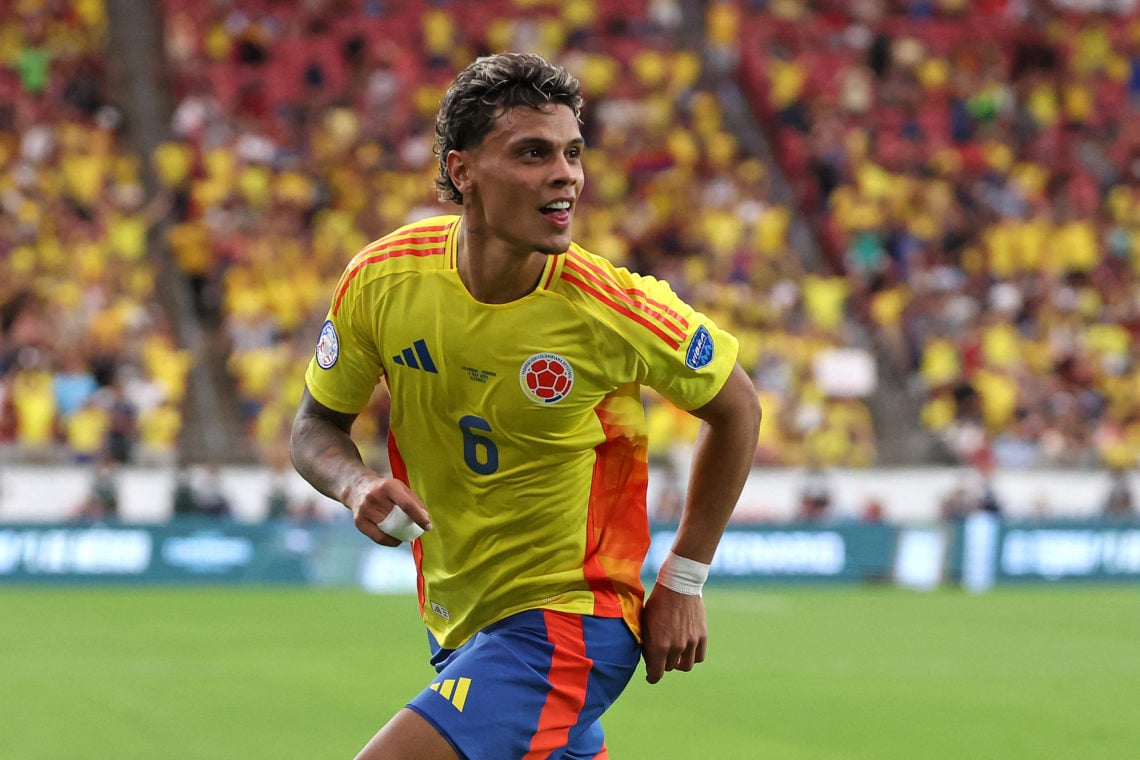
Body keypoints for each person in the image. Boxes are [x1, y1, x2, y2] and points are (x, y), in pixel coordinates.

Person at [290, 52, 761, 760]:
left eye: (573, 152)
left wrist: (685, 578)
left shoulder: (613, 306)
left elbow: (739, 408)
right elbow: (314, 425)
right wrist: (355, 483)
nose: (565, 173)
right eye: (533, 153)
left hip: (574, 619)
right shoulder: (383, 280)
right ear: (462, 172)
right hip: (457, 620)